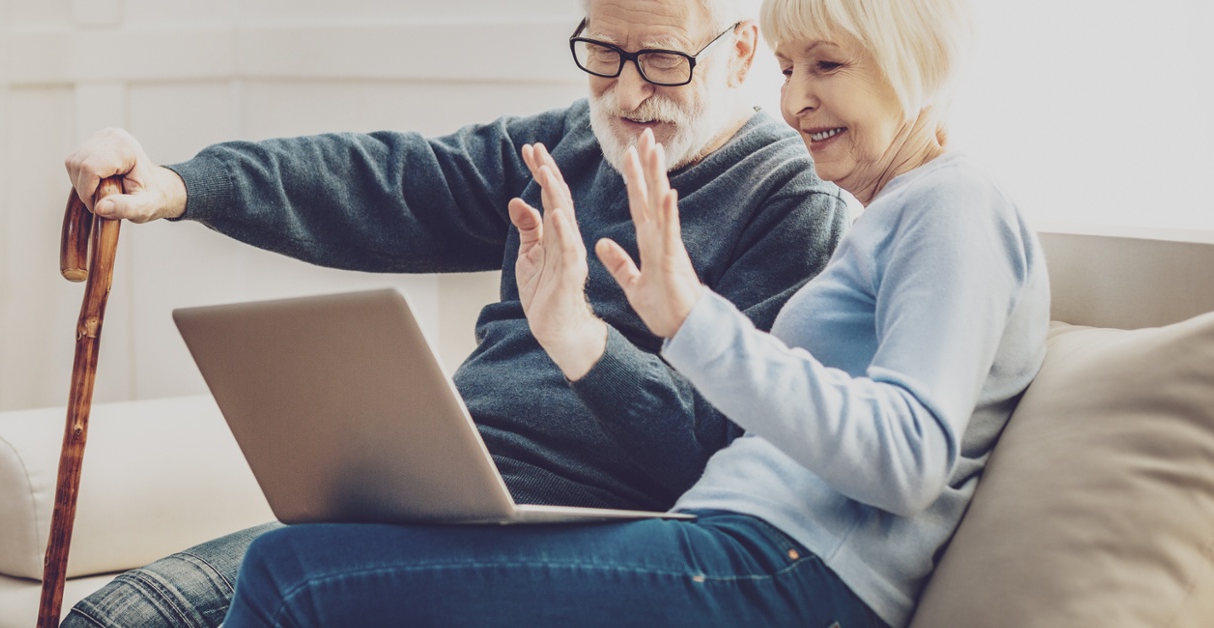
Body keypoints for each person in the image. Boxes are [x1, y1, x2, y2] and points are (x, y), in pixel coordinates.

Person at [219, 0, 1050, 625]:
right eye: (791, 69)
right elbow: (400, 179)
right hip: (730, 544)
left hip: (777, 566)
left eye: (826, 68)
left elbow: (910, 457)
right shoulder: (900, 215)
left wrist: (691, 319)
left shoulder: (955, 205)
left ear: (914, 66)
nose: (795, 100)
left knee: (287, 576)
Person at [58, 0, 846, 625]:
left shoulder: (792, 205)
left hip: (580, 535)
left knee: (286, 594)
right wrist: (185, 185)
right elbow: (390, 180)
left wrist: (584, 338)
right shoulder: (572, 145)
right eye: (604, 54)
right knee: (115, 617)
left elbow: (726, 456)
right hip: (442, 490)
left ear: (742, 51)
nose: (630, 92)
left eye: (663, 61)